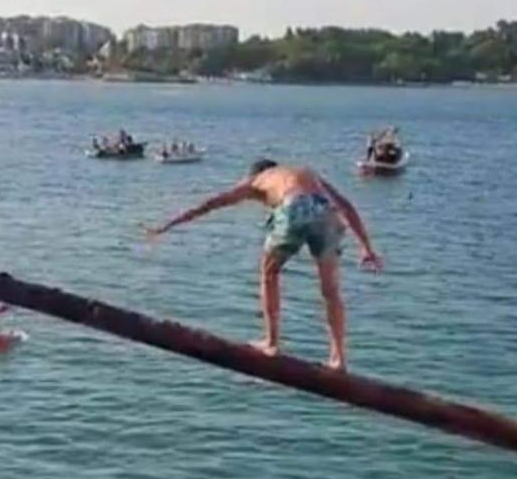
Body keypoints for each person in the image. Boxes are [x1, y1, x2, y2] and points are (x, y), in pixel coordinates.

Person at [146, 159, 382, 371]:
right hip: (326, 212)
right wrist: (366, 248)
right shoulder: (308, 174)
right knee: (330, 290)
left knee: (269, 274)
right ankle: (339, 359)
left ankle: (271, 343)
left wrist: (167, 226)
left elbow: (209, 204)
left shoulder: (257, 180)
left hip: (294, 207)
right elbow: (346, 206)